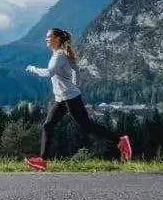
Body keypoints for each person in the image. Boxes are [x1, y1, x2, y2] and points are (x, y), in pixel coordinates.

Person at [23, 27, 132, 171]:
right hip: (62, 98)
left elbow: (49, 73)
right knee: (48, 125)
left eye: (48, 37)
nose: (46, 39)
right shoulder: (59, 54)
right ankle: (42, 160)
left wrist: (32, 68)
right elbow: (75, 69)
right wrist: (76, 85)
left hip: (70, 98)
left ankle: (121, 141)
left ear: (57, 39)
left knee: (87, 125)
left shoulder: (59, 55)